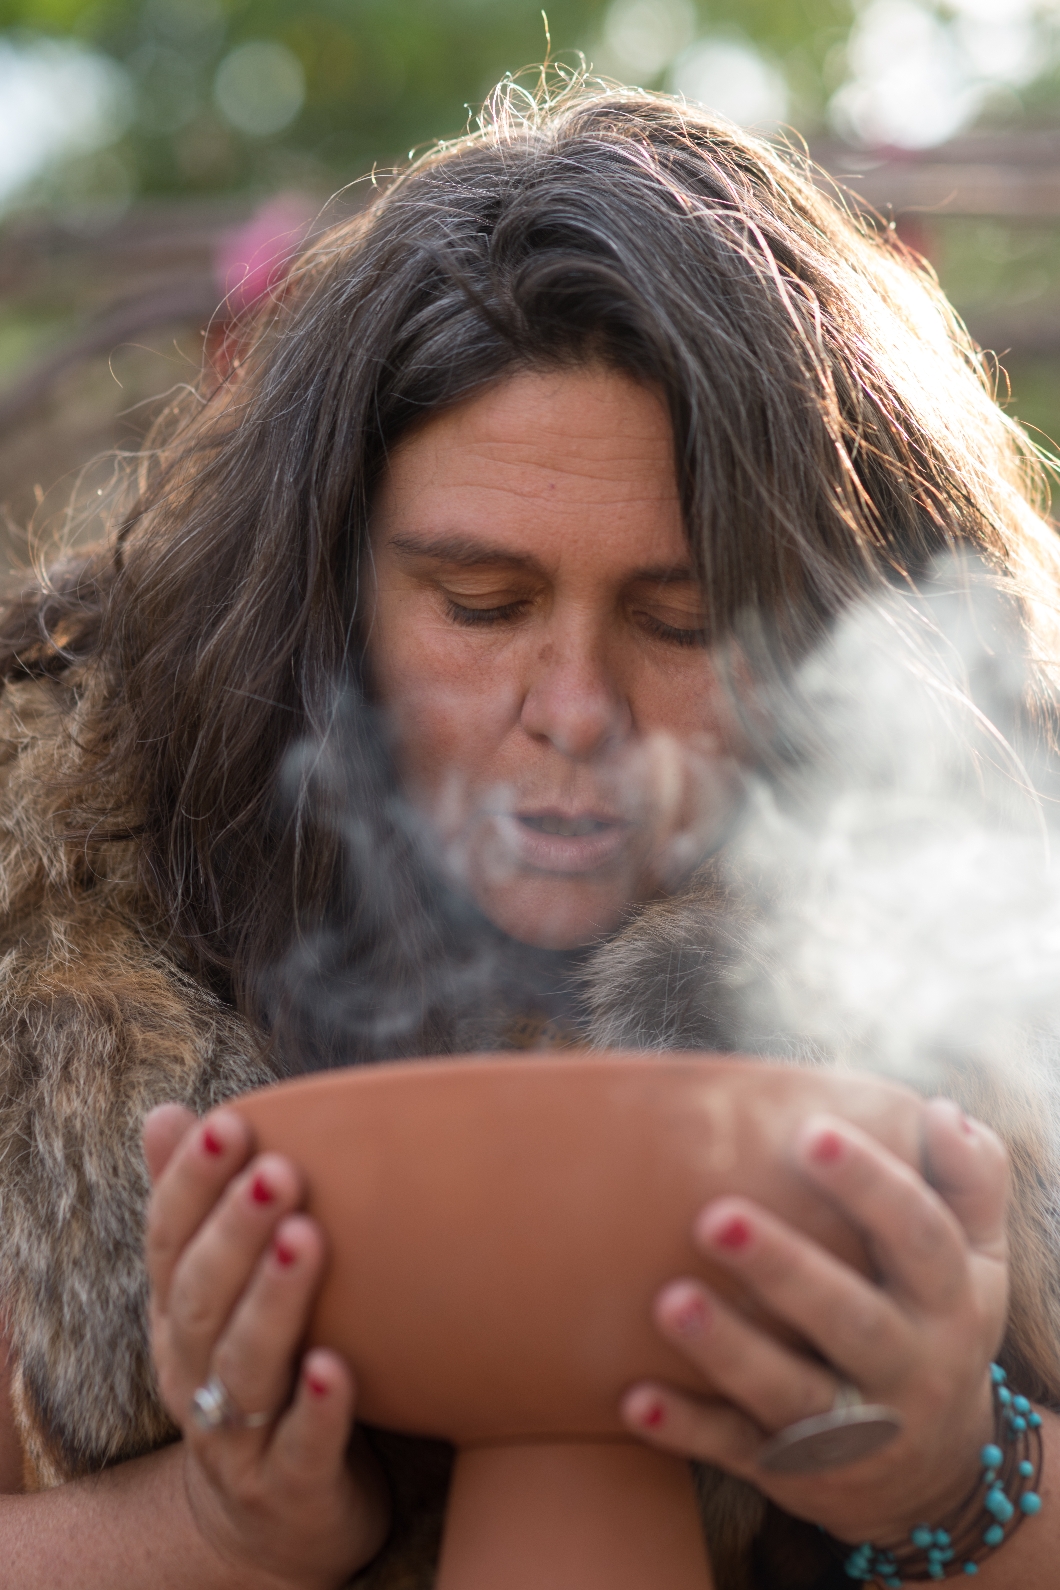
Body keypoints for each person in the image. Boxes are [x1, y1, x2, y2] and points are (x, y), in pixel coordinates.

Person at [0, 76, 1057, 1589]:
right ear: (323, 598)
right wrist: (212, 1532)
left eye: (682, 618)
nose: (574, 709)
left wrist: (963, 1477)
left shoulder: (1004, 906)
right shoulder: (67, 948)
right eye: (481, 606)